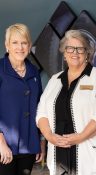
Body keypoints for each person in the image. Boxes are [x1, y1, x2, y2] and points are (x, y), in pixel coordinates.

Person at [36, 29, 96, 175]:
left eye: (80, 48)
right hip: (59, 154)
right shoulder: (55, 80)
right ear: (64, 52)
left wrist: (81, 136)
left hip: (90, 153)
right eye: (70, 48)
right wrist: (49, 136)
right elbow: (41, 111)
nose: (75, 52)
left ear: (87, 53)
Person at [0, 23, 45, 175]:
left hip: (29, 146)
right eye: (15, 42)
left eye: (24, 42)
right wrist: (0, 143)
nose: (20, 47)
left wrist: (40, 142)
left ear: (29, 45)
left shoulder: (34, 72)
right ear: (7, 45)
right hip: (4, 146)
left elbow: (40, 108)